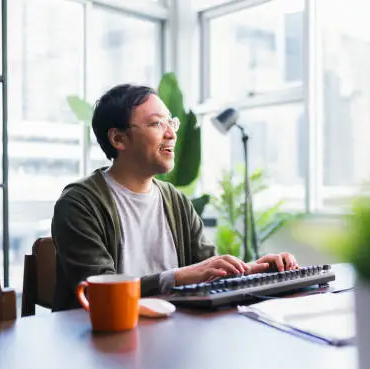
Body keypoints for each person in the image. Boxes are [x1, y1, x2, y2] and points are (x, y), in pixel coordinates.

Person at [51, 84, 298, 311]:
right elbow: (99, 290)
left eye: (172, 123)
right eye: (157, 124)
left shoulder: (175, 200)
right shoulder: (79, 203)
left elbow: (207, 267)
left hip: (169, 333)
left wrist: (256, 270)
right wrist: (177, 277)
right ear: (118, 138)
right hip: (100, 341)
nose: (171, 134)